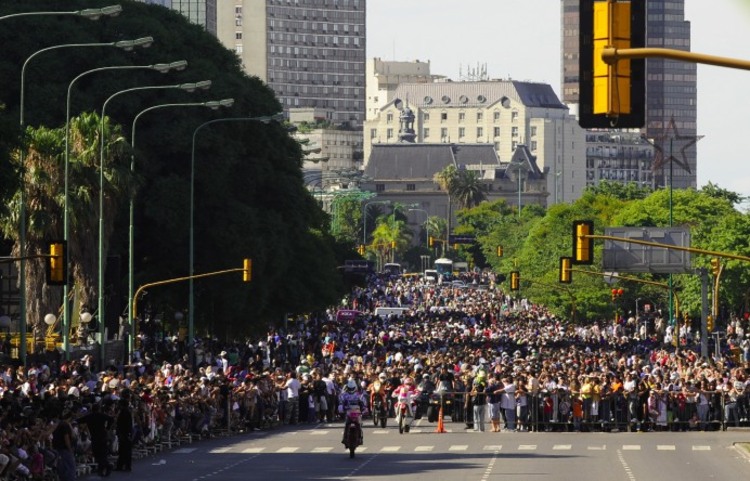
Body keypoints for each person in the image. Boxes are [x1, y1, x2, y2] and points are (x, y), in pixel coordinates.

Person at [78, 403, 113, 477]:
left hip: (95, 437)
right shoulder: (102, 415)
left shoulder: (89, 416)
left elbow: (79, 420)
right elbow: (111, 419)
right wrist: (107, 428)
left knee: (96, 453)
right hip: (103, 436)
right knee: (102, 453)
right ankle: (106, 466)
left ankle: (103, 468)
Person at [52, 410, 76, 481]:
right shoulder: (65, 425)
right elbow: (67, 438)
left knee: (63, 466)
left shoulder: (59, 424)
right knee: (69, 466)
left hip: (58, 448)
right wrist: (70, 448)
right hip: (64, 448)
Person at [339, 379, 364, 445]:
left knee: (359, 425)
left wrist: (364, 409)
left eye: (352, 388)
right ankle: (344, 438)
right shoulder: (344, 395)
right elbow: (341, 403)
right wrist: (341, 408)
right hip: (349, 412)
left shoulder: (359, 395)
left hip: (357, 412)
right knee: (346, 425)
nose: (351, 390)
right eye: (349, 388)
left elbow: (363, 403)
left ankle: (360, 438)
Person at [115, 398, 133, 472]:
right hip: (125, 433)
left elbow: (124, 424)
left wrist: (124, 433)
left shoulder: (124, 412)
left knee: (124, 450)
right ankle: (124, 465)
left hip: (124, 433)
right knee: (124, 450)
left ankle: (123, 465)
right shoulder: (125, 412)